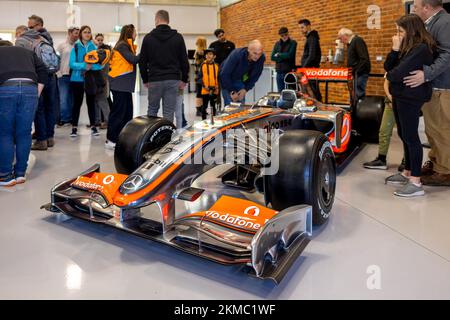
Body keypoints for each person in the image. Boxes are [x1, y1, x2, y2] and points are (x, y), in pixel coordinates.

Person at [384, 14, 435, 198]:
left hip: (410, 98)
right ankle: (407, 171)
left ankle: (416, 181)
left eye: (401, 31)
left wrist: (391, 73)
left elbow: (394, 74)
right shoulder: (406, 48)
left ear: (411, 31)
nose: (397, 34)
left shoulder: (421, 48)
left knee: (412, 137)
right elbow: (387, 67)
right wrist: (395, 50)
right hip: (400, 96)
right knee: (403, 134)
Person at [404, 0, 450, 186]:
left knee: (441, 129)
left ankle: (445, 171)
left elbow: (448, 54)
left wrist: (426, 74)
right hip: (434, 86)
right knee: (432, 129)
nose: (414, 10)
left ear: (426, 7)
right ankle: (437, 162)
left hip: (442, 87)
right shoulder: (433, 22)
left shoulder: (444, 22)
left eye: (415, 7)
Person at [0, 40, 47, 186]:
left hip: (6, 88)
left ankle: (5, 176)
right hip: (30, 89)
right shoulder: (28, 52)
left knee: (5, 132)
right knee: (24, 133)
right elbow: (44, 71)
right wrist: (36, 93)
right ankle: (20, 174)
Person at [139, 10, 189, 126]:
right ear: (168, 20)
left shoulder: (148, 38)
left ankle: (150, 140)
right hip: (172, 79)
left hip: (154, 79)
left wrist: (145, 79)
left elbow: (142, 61)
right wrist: (184, 79)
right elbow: (184, 61)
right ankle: (166, 139)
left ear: (156, 20)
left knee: (152, 110)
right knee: (168, 112)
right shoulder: (178, 37)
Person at [16, 15, 59, 151]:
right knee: (50, 107)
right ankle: (50, 138)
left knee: (38, 109)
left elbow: (22, 62)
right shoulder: (44, 38)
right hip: (51, 76)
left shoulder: (22, 40)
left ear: (37, 25)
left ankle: (41, 140)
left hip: (37, 78)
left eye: (30, 26)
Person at [107, 24, 140, 149]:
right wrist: (146, 52)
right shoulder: (122, 45)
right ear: (130, 33)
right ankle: (111, 139)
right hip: (119, 85)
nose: (136, 34)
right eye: (135, 32)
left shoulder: (127, 46)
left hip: (124, 85)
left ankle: (122, 138)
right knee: (118, 113)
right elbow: (133, 60)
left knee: (127, 113)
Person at [363, 75, 406, 171]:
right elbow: (386, 82)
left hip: (405, 103)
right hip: (390, 103)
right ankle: (381, 160)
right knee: (384, 131)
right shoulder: (392, 62)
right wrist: (390, 97)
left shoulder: (409, 62)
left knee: (405, 133)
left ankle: (406, 161)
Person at [69, 25, 104, 138]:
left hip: (90, 79)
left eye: (89, 32)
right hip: (77, 79)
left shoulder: (93, 47)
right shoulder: (76, 47)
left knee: (91, 104)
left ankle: (93, 126)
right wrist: (84, 65)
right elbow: (72, 64)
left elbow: (97, 66)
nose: (87, 34)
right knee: (77, 104)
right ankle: (74, 127)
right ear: (81, 34)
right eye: (85, 32)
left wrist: (95, 66)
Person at [219, 40, 265, 106]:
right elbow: (224, 74)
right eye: (255, 53)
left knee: (240, 104)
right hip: (226, 78)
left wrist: (245, 89)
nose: (257, 56)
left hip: (239, 79)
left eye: (259, 53)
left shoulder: (261, 58)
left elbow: (255, 76)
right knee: (230, 106)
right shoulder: (237, 54)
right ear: (248, 50)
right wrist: (232, 91)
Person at [337, 28, 371, 100]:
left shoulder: (357, 40)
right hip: (356, 74)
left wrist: (355, 71)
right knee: (354, 95)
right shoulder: (350, 43)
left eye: (340, 38)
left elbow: (364, 59)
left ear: (345, 35)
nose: (340, 40)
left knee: (358, 95)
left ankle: (358, 111)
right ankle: (354, 110)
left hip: (360, 74)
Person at [56, 26, 79, 127]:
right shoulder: (61, 46)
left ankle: (71, 119)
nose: (77, 35)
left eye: (78, 33)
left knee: (73, 99)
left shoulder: (79, 46)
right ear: (69, 33)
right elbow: (56, 60)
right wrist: (58, 73)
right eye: (75, 33)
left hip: (76, 76)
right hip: (64, 75)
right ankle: (64, 119)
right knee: (64, 98)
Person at [298, 19, 322, 100]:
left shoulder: (312, 38)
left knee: (313, 91)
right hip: (309, 69)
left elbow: (312, 55)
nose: (301, 30)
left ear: (308, 26)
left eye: (302, 27)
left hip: (311, 69)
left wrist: (303, 67)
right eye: (300, 28)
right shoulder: (310, 37)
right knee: (310, 91)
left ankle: (318, 108)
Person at [271, 27, 297, 92]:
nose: (284, 37)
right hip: (279, 72)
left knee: (289, 93)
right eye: (282, 35)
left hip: (288, 72)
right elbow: (272, 57)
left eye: (285, 34)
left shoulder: (293, 43)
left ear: (288, 33)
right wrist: (284, 57)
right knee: (280, 92)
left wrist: (279, 54)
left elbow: (290, 55)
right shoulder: (277, 44)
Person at [93, 33, 110, 130]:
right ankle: (97, 121)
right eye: (98, 40)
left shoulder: (103, 52)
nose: (99, 42)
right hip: (96, 80)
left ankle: (108, 121)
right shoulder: (95, 51)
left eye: (101, 40)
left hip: (102, 79)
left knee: (103, 101)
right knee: (96, 101)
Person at [198, 48, 219, 120]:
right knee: (204, 106)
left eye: (210, 54)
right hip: (205, 89)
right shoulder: (202, 65)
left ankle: (214, 121)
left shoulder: (217, 66)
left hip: (214, 90)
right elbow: (199, 77)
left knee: (213, 106)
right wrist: (204, 85)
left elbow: (218, 78)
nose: (208, 55)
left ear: (214, 56)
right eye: (207, 54)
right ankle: (203, 121)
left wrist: (217, 87)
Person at [194, 37, 207, 116]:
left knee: (201, 93)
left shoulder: (197, 52)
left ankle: (201, 109)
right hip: (201, 75)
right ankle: (199, 110)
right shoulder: (201, 52)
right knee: (200, 93)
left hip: (199, 75)